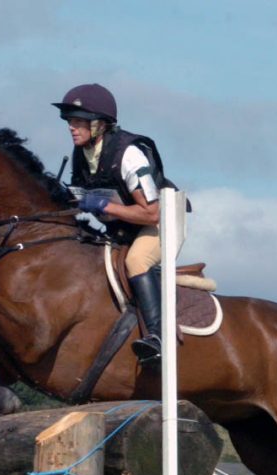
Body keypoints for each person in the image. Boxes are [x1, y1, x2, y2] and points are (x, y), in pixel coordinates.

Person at [53, 83, 175, 365]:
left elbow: (152, 213)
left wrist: (104, 206)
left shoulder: (129, 154)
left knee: (136, 262)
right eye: (69, 121)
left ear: (99, 124)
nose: (71, 127)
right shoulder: (82, 154)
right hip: (120, 230)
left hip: (158, 225)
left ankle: (157, 338)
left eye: (78, 121)